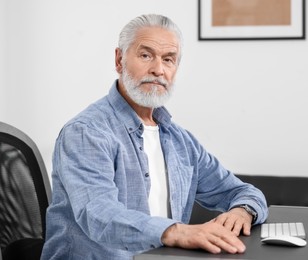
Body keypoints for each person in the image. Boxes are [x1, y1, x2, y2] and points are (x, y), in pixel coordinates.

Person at [41, 14, 268, 259]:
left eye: (168, 60)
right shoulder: (87, 131)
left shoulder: (180, 141)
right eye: (146, 55)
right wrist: (177, 232)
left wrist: (242, 211)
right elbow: (99, 214)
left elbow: (242, 192)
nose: (158, 70)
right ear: (119, 60)